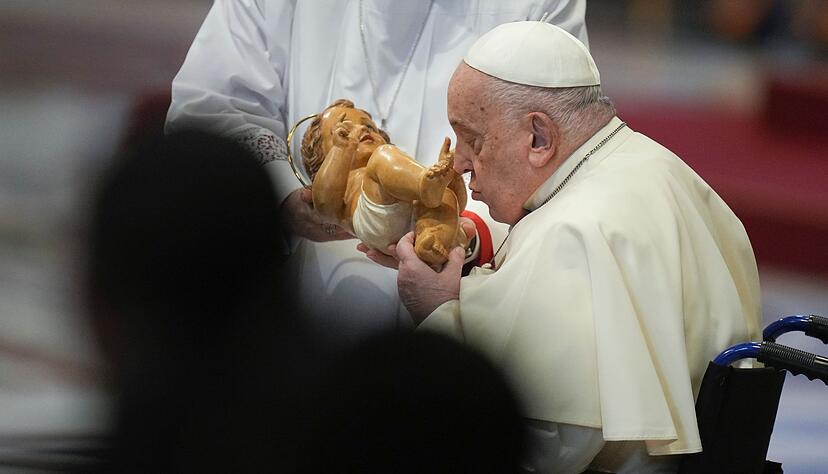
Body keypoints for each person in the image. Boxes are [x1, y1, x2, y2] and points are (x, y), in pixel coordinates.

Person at [385, 22, 763, 473]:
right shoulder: (656, 168)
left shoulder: (573, 232)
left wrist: (435, 310)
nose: (461, 163)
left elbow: (547, 448)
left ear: (539, 138)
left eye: (474, 139)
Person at [166, 0, 589, 346]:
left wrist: (467, 234)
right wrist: (283, 197)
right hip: (297, 324)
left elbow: (554, 147)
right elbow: (213, 110)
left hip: (467, 320)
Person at [302, 99, 468, 265]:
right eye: (345, 130)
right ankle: (428, 188)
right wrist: (342, 149)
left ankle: (432, 238)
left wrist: (452, 176)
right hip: (374, 220)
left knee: (447, 197)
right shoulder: (349, 181)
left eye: (369, 127)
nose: (361, 129)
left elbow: (458, 203)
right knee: (383, 158)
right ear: (322, 160)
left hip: (414, 212)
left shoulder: (396, 170)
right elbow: (324, 206)